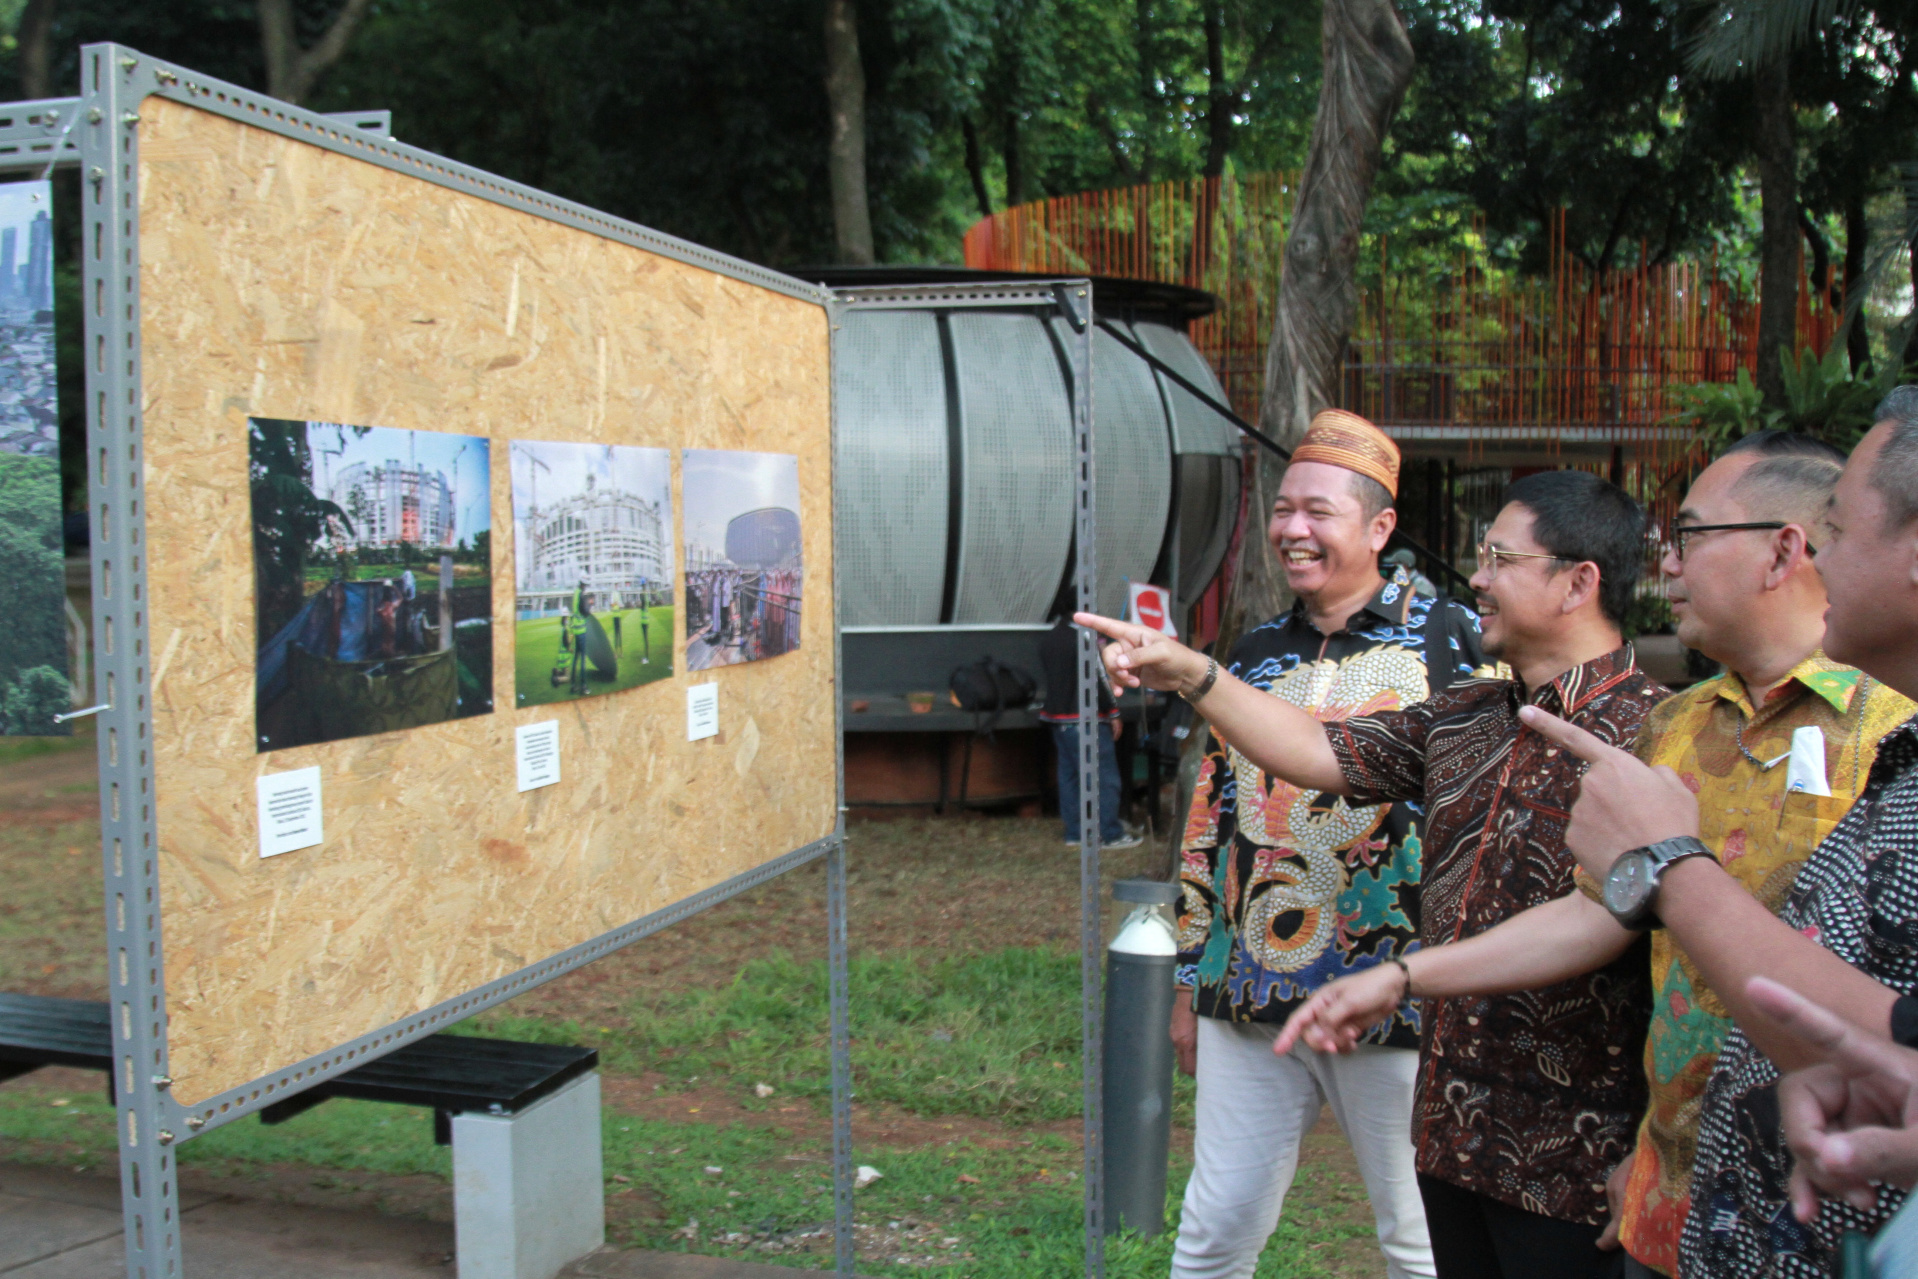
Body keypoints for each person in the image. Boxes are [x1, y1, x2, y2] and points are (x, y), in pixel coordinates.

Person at [1277, 432, 1911, 1277]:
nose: (1668, 567)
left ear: (1783, 550)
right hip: (1659, 1185)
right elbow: (1600, 912)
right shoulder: (1675, 726)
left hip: (1836, 1201)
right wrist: (1405, 977)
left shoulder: (1884, 733)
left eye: (1688, 537)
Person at [1080, 467, 1665, 1279]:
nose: (1480, 578)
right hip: (1454, 1128)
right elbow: (1319, 751)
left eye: (1499, 558)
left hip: (1570, 1157)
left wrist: (1660, 1141)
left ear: (1579, 581)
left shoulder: (1657, 732)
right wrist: (1192, 671)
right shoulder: (1465, 717)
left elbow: (1627, 930)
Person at [1512, 390, 1918, 1276]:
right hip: (1690, 1213)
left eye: (1839, 533)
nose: (1823, 558)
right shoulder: (1680, 721)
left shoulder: (1883, 729)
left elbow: (1875, 1041)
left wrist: (1666, 863)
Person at [1155, 410, 1482, 1279]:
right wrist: (1192, 979)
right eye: (1283, 509)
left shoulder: (1453, 642)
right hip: (1252, 986)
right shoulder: (1257, 649)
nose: (1292, 530)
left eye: (1319, 512)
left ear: (1379, 528)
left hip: (1399, 997)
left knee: (1419, 1237)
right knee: (1214, 1228)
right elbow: (1209, 820)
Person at [1039, 616, 1141, 851]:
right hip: (1086, 717)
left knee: (1069, 778)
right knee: (1104, 779)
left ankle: (1076, 832)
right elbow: (1100, 677)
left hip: (1058, 718)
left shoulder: (1050, 638)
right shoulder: (1086, 638)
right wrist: (1113, 711)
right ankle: (1110, 833)